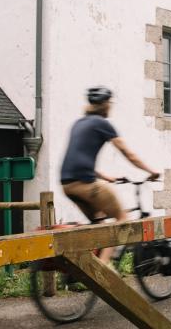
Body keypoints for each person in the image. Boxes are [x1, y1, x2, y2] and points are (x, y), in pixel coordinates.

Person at [60, 85, 160, 264]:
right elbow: (127, 153)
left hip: (67, 185)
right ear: (105, 104)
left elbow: (78, 158)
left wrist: (106, 177)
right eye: (110, 103)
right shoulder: (102, 123)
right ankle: (103, 271)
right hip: (85, 185)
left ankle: (84, 265)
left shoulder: (79, 123)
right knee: (122, 219)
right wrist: (151, 171)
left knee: (99, 223)